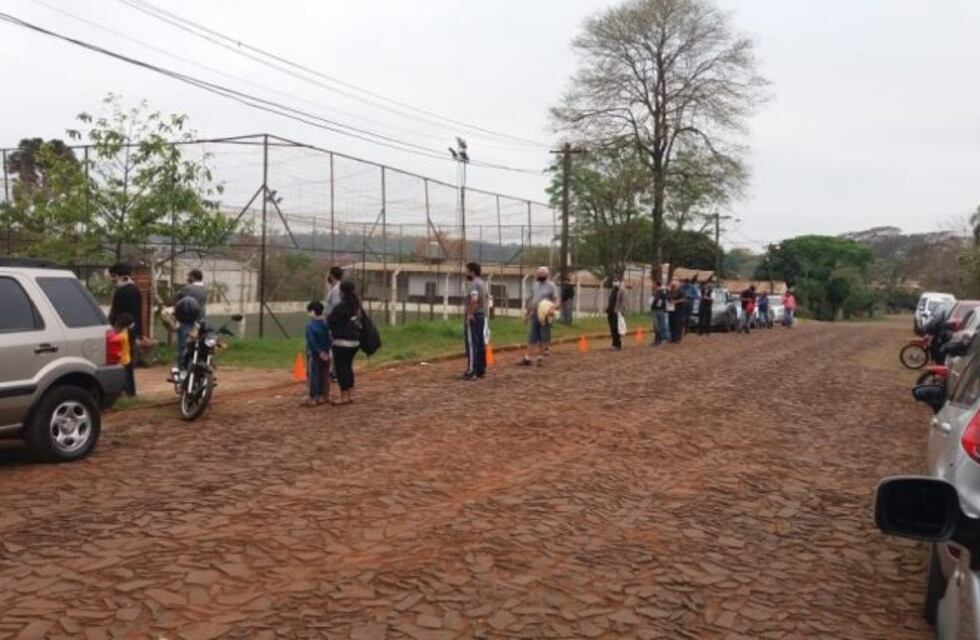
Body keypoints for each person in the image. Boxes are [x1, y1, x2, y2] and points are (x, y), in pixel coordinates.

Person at [108, 263, 142, 396]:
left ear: (122, 276)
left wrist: (112, 326)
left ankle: (126, 390)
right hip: (131, 329)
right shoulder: (135, 290)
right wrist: (139, 333)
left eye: (113, 276)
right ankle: (129, 391)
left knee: (123, 360)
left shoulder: (122, 291)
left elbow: (117, 312)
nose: (112, 279)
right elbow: (138, 314)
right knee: (127, 360)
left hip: (122, 329)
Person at [327, 280, 361, 405]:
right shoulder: (356, 305)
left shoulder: (341, 306)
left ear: (341, 291)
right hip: (355, 341)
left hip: (341, 342)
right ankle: (350, 395)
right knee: (348, 367)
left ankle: (343, 397)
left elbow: (330, 320)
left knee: (342, 369)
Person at [520, 266, 558, 367]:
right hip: (534, 314)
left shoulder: (551, 286)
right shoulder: (535, 285)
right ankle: (527, 358)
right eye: (538, 274)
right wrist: (527, 314)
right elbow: (532, 300)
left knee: (543, 336)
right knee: (531, 336)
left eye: (541, 275)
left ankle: (540, 358)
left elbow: (557, 300)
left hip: (545, 315)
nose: (539, 276)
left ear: (546, 275)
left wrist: (552, 308)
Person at [175, 269, 208, 367]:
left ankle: (183, 365)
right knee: (197, 342)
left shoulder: (188, 289)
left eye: (189, 276)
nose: (187, 278)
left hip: (187, 318)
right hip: (200, 319)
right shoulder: (205, 289)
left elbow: (177, 298)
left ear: (193, 277)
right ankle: (196, 362)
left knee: (184, 343)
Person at [462, 262, 488, 380]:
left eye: (467, 270)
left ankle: (472, 370)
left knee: (472, 343)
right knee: (480, 342)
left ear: (472, 272)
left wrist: (470, 313)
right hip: (482, 315)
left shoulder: (473, 284)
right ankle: (480, 369)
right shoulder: (482, 283)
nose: (465, 273)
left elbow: (474, 299)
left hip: (475, 315)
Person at [303, 301, 332, 407]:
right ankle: (321, 396)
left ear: (313, 312)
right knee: (323, 374)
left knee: (313, 375)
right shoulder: (326, 324)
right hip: (326, 353)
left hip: (314, 353)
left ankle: (313, 397)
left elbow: (311, 341)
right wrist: (326, 351)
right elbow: (329, 339)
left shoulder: (310, 325)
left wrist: (319, 352)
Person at [606, 277, 625, 351]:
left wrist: (620, 311)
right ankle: (614, 343)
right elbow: (611, 301)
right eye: (614, 281)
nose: (615, 282)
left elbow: (622, 302)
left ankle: (618, 344)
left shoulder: (621, 290)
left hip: (616, 312)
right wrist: (608, 309)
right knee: (612, 329)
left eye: (616, 281)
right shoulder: (612, 290)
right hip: (610, 312)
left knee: (616, 328)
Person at [650, 280, 670, 346]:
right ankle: (659, 339)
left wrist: (654, 303)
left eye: (654, 284)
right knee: (658, 325)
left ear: (657, 285)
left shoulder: (659, 292)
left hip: (658, 310)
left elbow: (658, 301)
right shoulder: (660, 292)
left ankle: (658, 340)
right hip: (659, 310)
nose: (653, 285)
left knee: (657, 325)